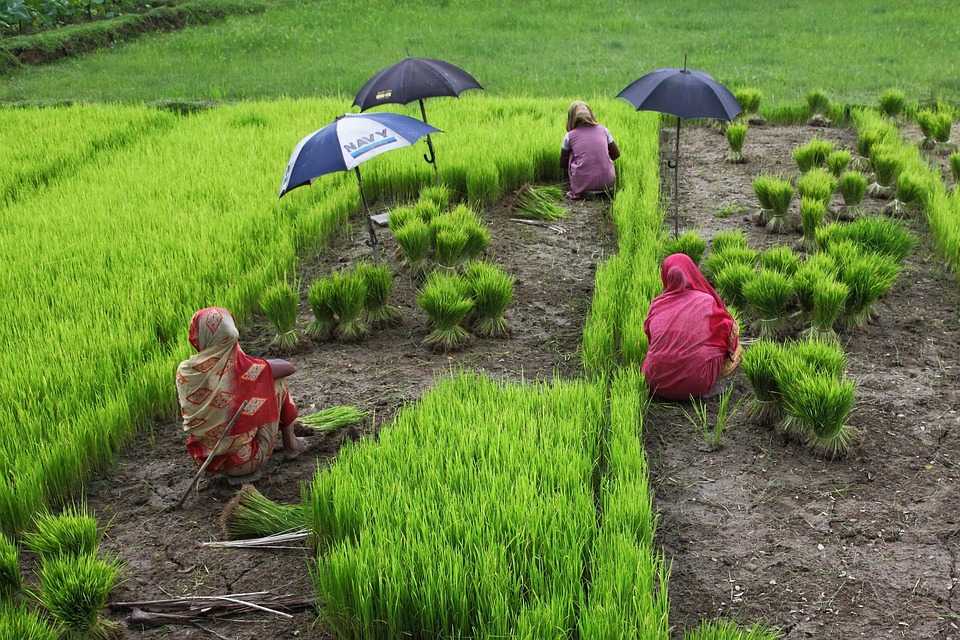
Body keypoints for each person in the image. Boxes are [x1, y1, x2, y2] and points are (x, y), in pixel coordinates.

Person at [175, 307, 316, 485]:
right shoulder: (240, 368)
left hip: (205, 460)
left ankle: (239, 446)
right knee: (276, 382)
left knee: (248, 391)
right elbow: (288, 367)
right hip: (245, 462)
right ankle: (292, 445)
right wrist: (248, 361)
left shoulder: (186, 370)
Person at [641, 253, 743, 401]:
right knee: (718, 341)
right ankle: (704, 382)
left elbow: (652, 340)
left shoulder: (657, 304)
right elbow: (727, 332)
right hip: (695, 384)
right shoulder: (705, 301)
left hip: (655, 382)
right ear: (692, 273)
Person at [559, 100, 620, 200]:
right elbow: (616, 154)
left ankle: (578, 185)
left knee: (571, 153)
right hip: (608, 182)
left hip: (582, 183)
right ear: (590, 114)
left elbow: (562, 164)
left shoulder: (570, 136)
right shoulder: (604, 130)